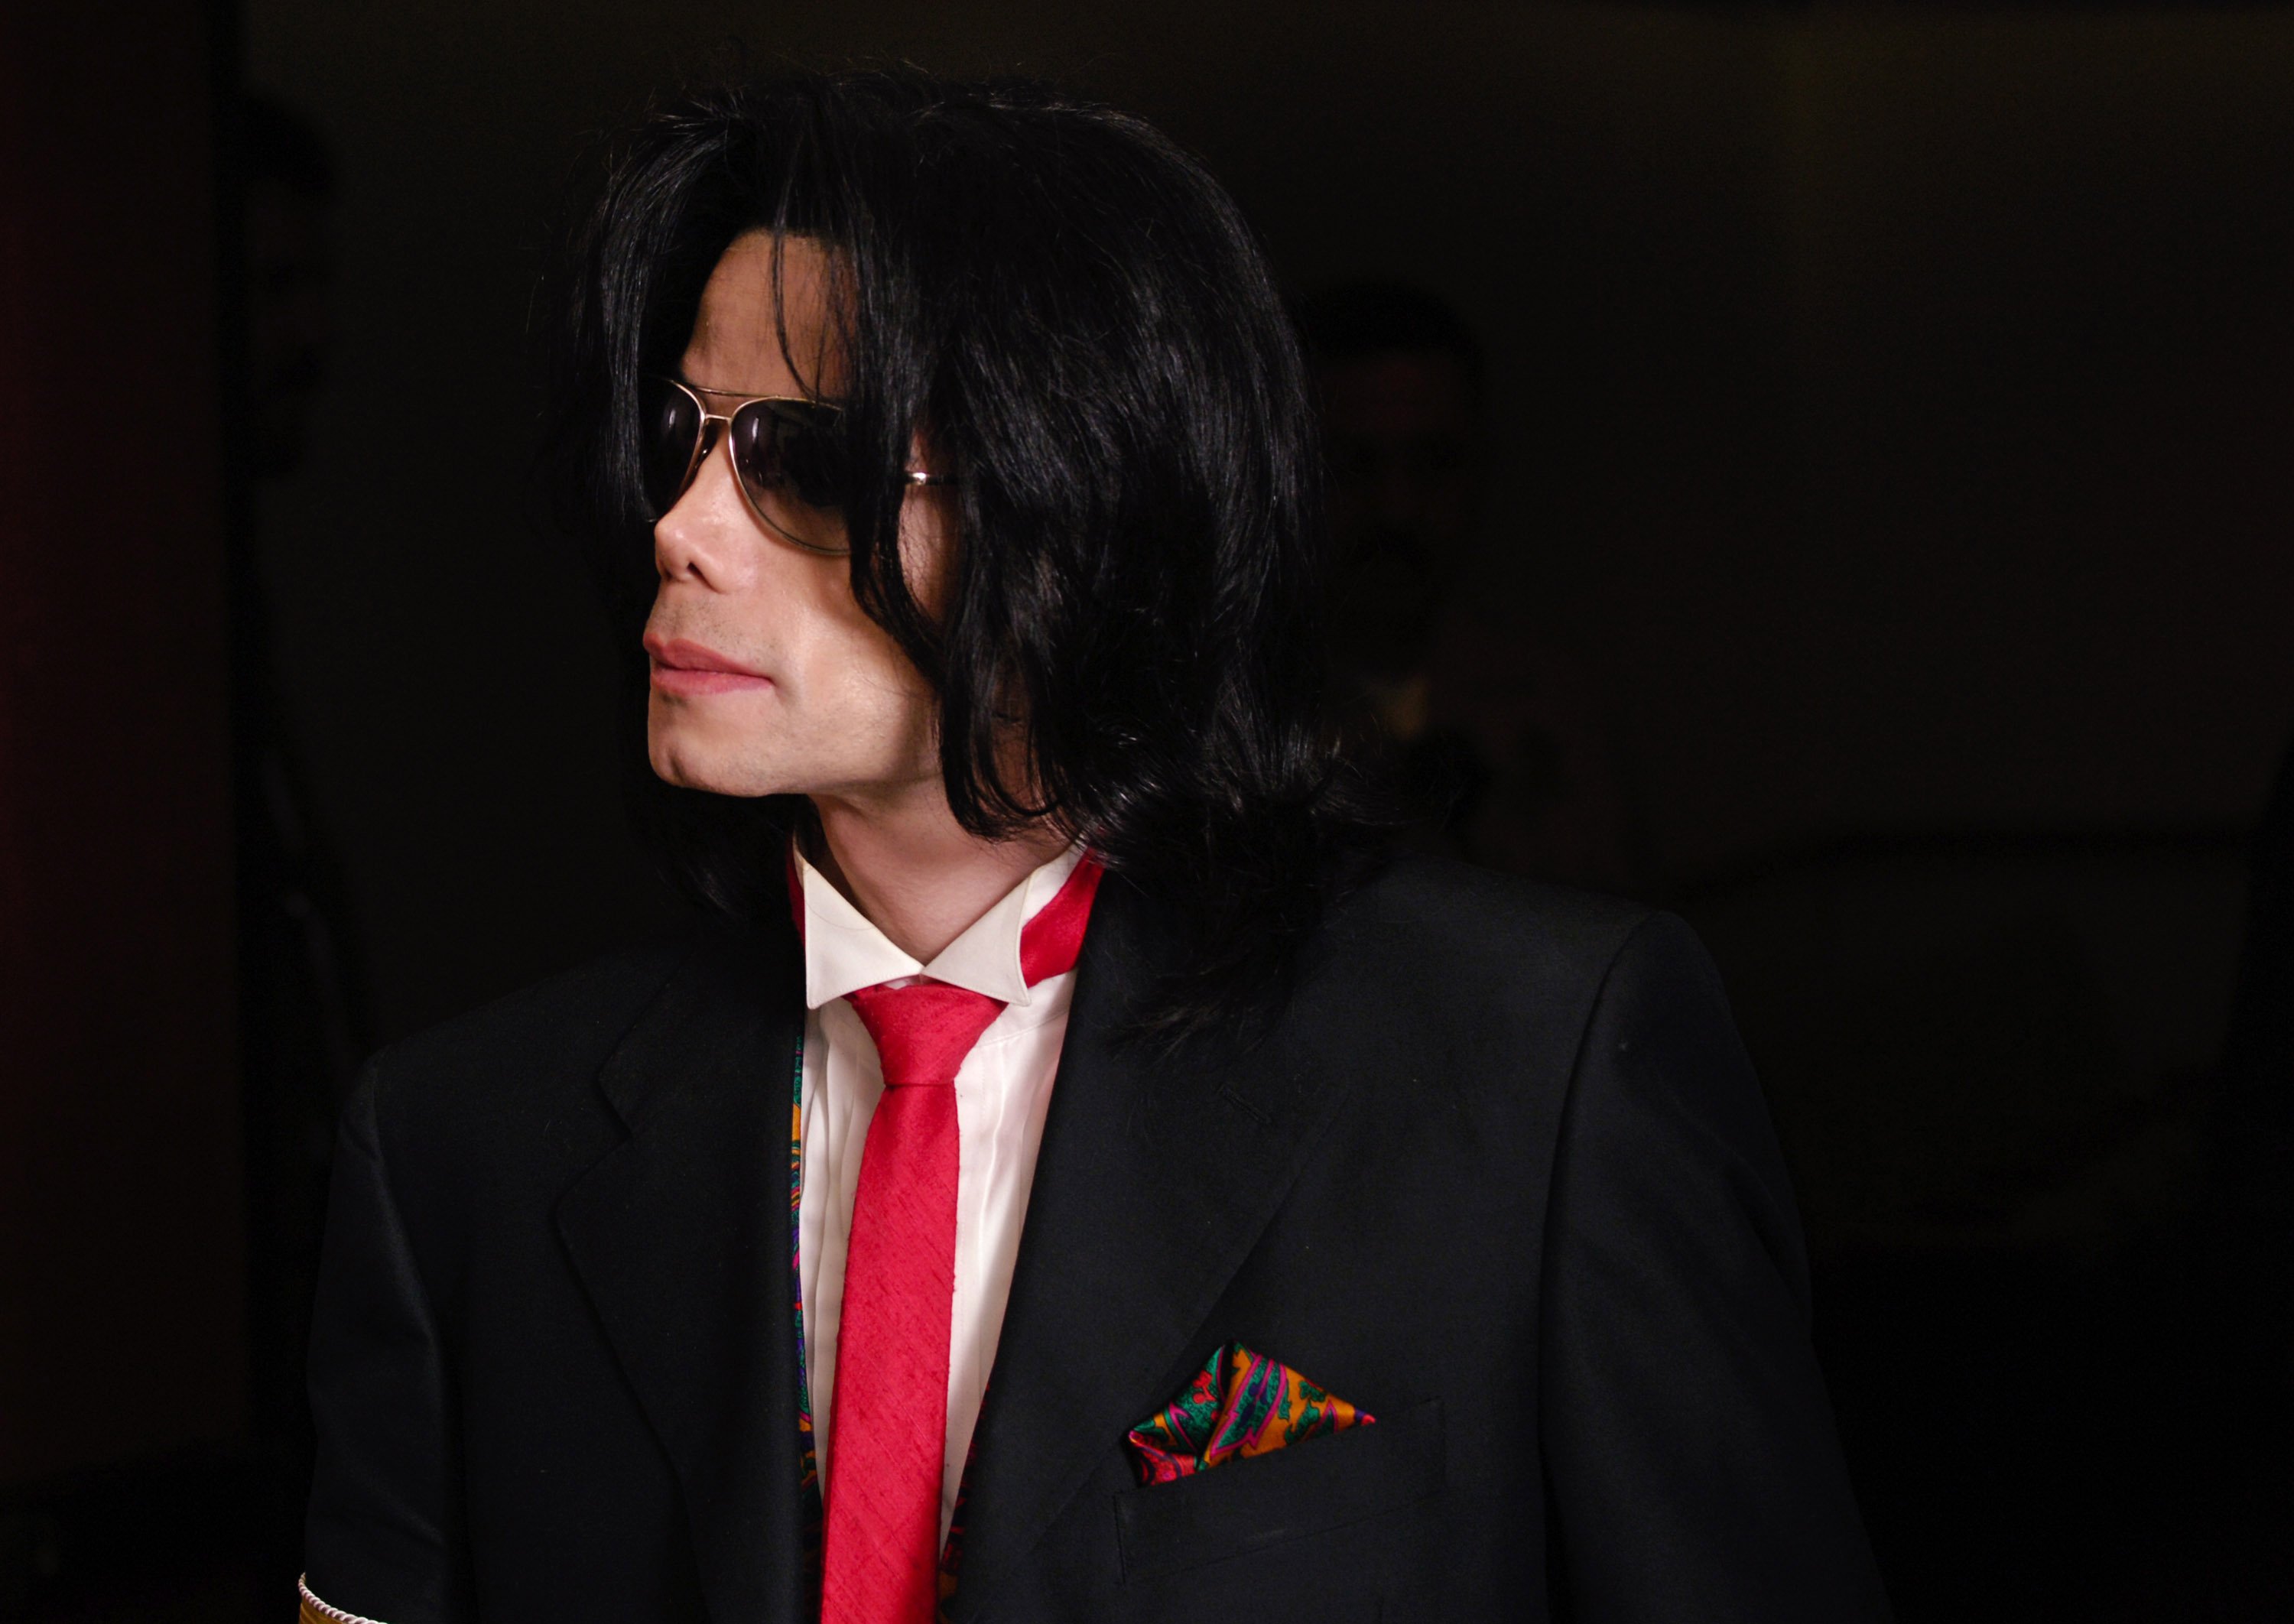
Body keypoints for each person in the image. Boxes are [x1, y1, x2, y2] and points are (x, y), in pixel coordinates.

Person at [298, 70, 1888, 1624]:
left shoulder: (1532, 1067)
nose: (682, 526)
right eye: (682, 432)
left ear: (1086, 499)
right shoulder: (467, 1146)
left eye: (797, 455)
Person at [1300, 281, 1642, 894]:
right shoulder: (1234, 723)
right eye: (1354, 465)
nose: (1397, 510)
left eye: (1433, 463)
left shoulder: (1553, 703)